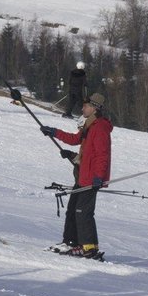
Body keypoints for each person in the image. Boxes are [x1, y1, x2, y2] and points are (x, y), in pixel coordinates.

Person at [40, 92, 113, 260]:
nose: (82, 108)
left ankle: (88, 248)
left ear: (94, 108)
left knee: (83, 212)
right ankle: (71, 242)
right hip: (82, 177)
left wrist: (98, 177)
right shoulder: (89, 126)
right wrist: (54, 132)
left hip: (91, 179)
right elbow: (74, 139)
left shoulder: (100, 128)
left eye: (86, 106)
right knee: (73, 210)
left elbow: (102, 155)